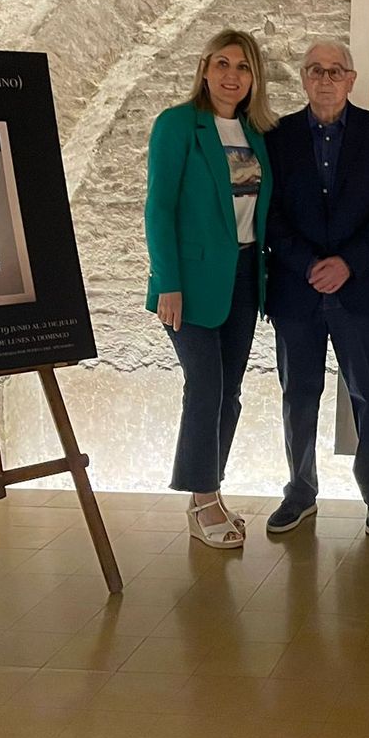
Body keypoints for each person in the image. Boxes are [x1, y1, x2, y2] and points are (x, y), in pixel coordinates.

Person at [264, 40, 369, 537]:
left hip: (359, 289)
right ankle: (300, 492)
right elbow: (270, 214)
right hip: (297, 291)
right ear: (303, 78)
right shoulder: (276, 137)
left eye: (335, 71)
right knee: (298, 394)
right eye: (315, 70)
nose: (325, 79)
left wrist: (347, 263)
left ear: (351, 79)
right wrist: (309, 265)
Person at [144, 29, 275, 547]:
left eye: (242, 67)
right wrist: (168, 283)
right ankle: (201, 501)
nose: (231, 76)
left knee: (231, 391)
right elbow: (159, 208)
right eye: (221, 64)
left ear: (253, 78)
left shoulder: (257, 132)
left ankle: (211, 489)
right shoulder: (178, 125)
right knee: (206, 387)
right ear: (204, 68)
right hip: (190, 282)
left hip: (244, 278)